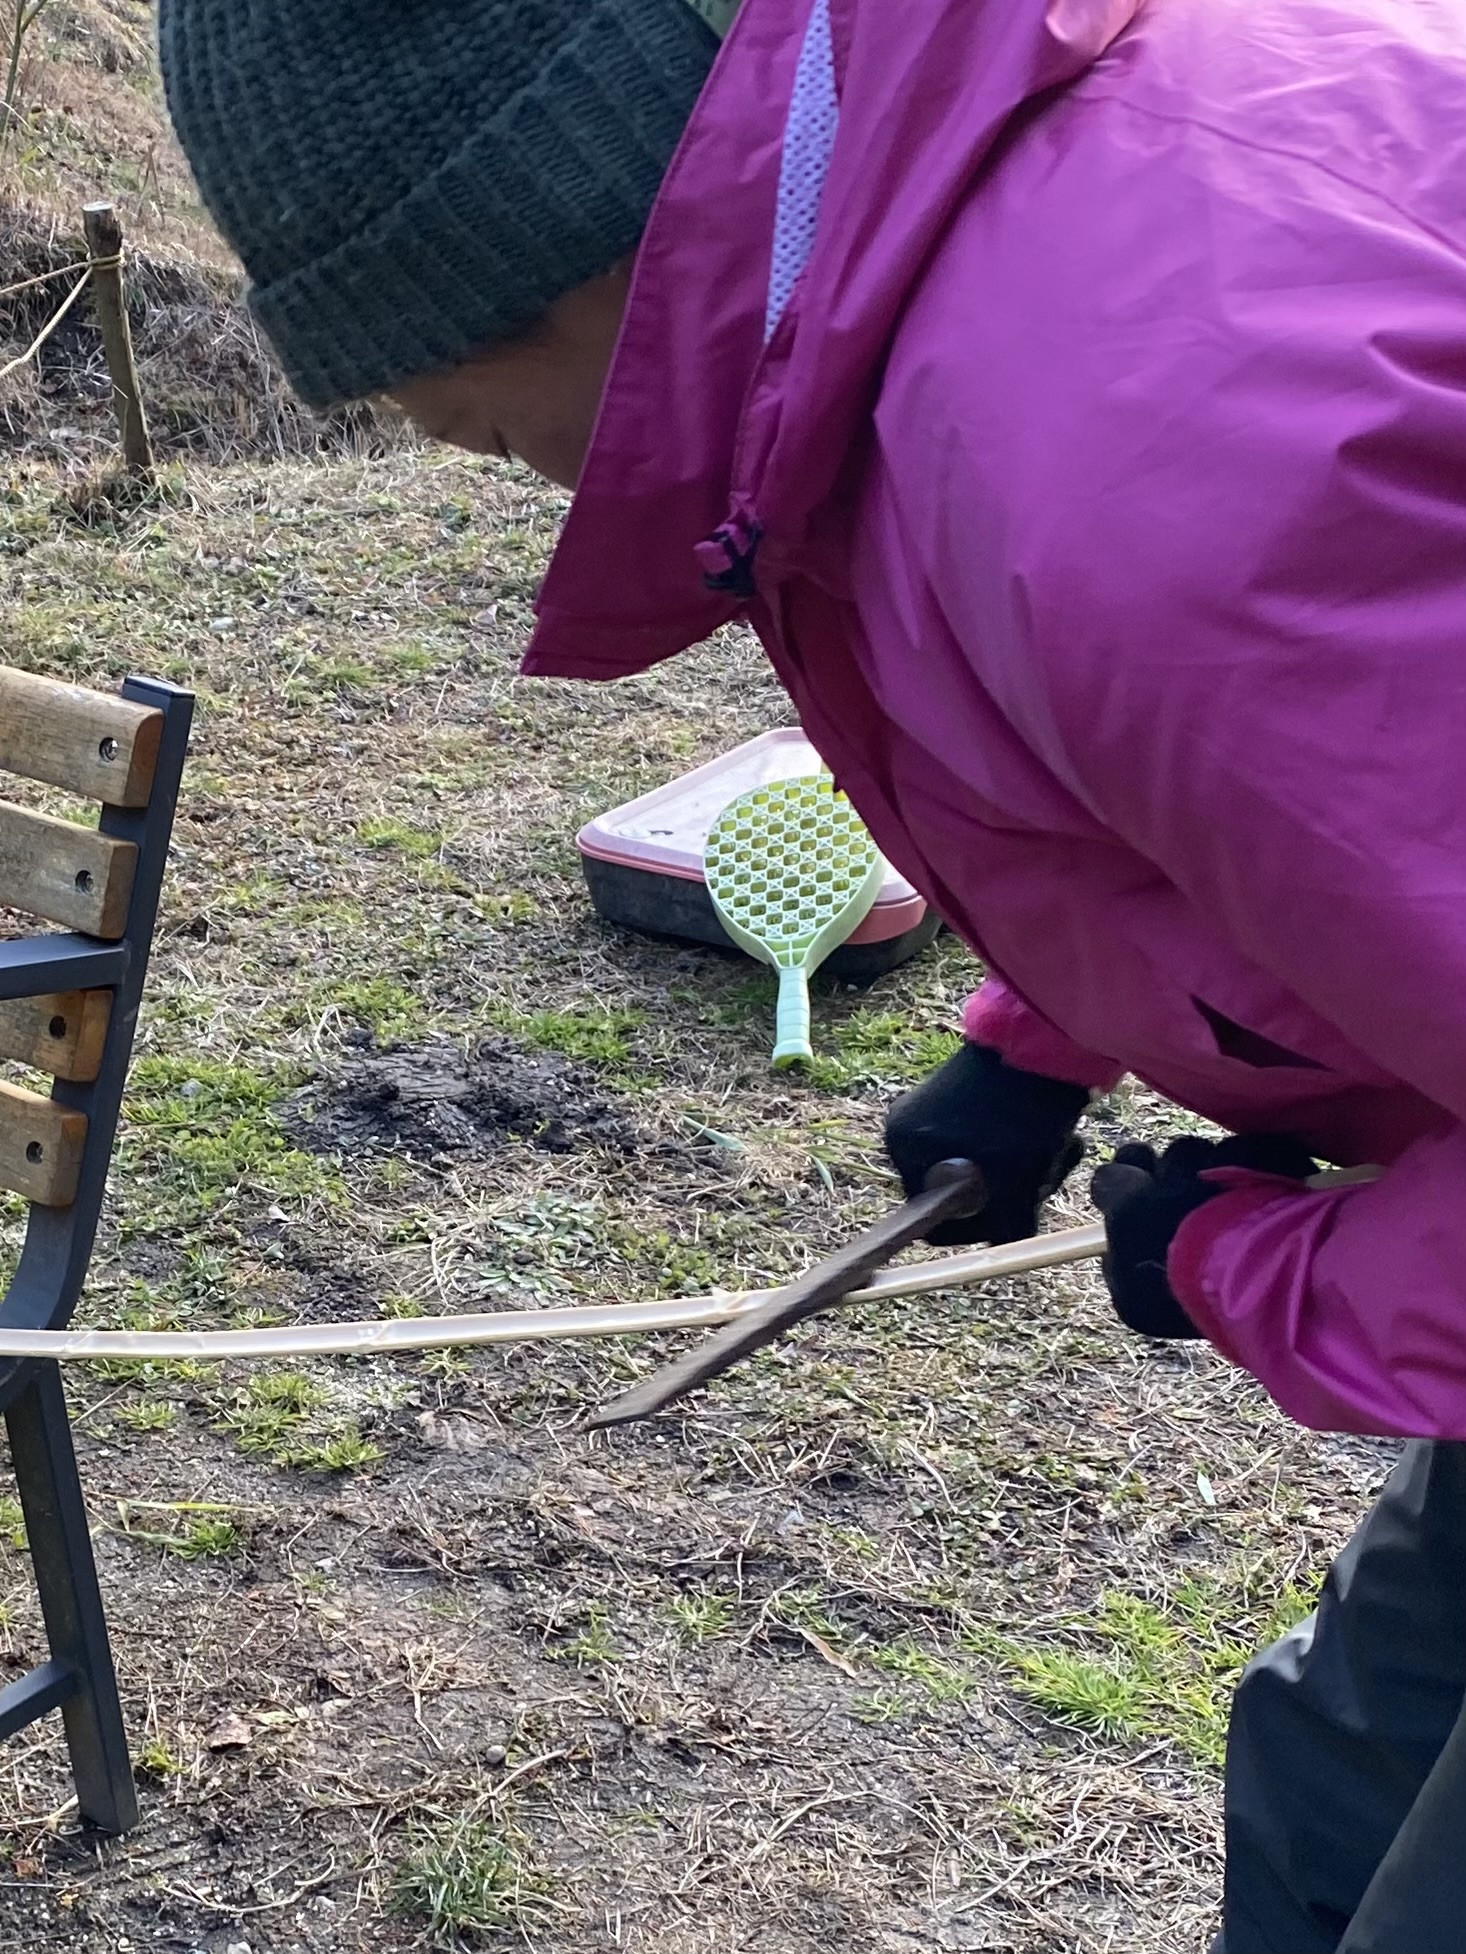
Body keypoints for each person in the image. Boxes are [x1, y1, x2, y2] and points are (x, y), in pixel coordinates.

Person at [158, 0, 1466, 1944]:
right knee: (1335, 1767)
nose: (488, 464)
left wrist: (1251, 1265)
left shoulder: (1151, 487)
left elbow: (1219, 657)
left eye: (475, 417)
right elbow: (1247, 781)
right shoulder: (938, 259)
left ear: (548, 234)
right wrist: (1040, 1039)